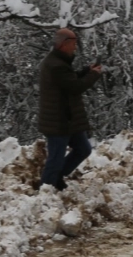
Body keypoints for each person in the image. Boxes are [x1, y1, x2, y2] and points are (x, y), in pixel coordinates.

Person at [36, 27, 102, 190]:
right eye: (73, 44)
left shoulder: (59, 63)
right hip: (59, 121)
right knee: (56, 158)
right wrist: (92, 75)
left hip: (68, 120)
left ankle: (57, 176)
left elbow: (68, 81)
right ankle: (46, 189)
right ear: (64, 44)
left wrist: (87, 71)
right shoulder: (56, 65)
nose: (75, 47)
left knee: (83, 149)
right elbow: (74, 86)